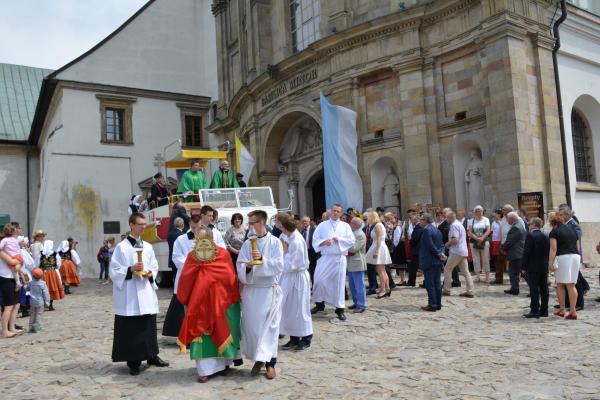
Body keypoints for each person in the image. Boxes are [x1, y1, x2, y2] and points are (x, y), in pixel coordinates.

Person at [177, 226, 242, 382]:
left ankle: (224, 364)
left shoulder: (223, 253)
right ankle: (205, 370)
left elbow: (229, 277)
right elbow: (185, 279)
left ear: (212, 239)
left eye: (206, 240)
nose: (203, 243)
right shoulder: (192, 256)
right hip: (200, 304)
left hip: (220, 302)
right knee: (203, 336)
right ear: (196, 240)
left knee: (222, 329)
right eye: (200, 239)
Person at [110, 212, 169, 375]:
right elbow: (114, 271)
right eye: (140, 224)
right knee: (132, 328)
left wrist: (150, 273)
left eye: (144, 224)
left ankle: (152, 355)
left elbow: (154, 266)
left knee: (148, 325)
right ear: (131, 225)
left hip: (145, 291)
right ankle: (133, 361)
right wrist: (130, 269)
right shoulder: (121, 248)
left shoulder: (148, 246)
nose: (144, 227)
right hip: (129, 294)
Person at [236, 210, 284, 379]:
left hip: (268, 291)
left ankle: (271, 363)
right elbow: (240, 264)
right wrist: (248, 267)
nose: (249, 226)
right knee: (253, 328)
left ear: (261, 222)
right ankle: (259, 359)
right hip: (251, 291)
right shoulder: (247, 244)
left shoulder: (275, 242)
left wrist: (262, 260)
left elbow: (279, 265)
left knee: (269, 328)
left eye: (252, 222)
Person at [311, 204, 355, 321]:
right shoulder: (322, 225)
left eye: (338, 211)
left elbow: (351, 240)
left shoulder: (345, 226)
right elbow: (315, 240)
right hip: (325, 257)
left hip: (339, 258)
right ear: (330, 212)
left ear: (341, 214)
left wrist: (339, 239)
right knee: (319, 281)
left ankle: (339, 309)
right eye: (334, 211)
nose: (335, 213)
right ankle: (319, 304)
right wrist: (323, 242)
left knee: (339, 284)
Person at [163, 215, 202, 339]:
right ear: (189, 224)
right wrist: (192, 264)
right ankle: (183, 335)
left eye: (198, 227)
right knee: (183, 307)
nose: (196, 230)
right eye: (193, 227)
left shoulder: (206, 238)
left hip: (202, 276)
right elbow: (176, 257)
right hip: (186, 276)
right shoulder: (181, 239)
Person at [278, 213, 313, 351]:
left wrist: (285, 253)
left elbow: (292, 265)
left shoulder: (297, 241)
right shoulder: (287, 237)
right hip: (289, 278)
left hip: (297, 277)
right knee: (289, 308)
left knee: (300, 308)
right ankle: (293, 337)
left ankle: (306, 337)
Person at [548, 214, 580, 320]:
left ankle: (562, 310)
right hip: (575, 256)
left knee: (560, 284)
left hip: (563, 257)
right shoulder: (572, 230)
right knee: (572, 284)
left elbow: (553, 249)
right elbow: (577, 246)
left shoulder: (554, 232)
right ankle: (573, 310)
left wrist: (550, 262)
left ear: (552, 223)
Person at [521, 217, 550, 318]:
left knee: (534, 288)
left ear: (534, 225)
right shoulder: (546, 236)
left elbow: (526, 252)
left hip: (533, 266)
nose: (528, 226)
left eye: (529, 224)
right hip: (544, 265)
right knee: (544, 288)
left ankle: (534, 310)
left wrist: (523, 267)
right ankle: (544, 310)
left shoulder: (531, 236)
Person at [442, 211, 474, 298]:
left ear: (451, 217)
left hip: (456, 251)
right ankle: (470, 291)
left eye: (447, 217)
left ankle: (446, 290)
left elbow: (455, 240)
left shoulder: (453, 225)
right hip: (462, 251)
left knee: (447, 269)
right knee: (466, 272)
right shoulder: (459, 224)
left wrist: (447, 244)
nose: (446, 219)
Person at [419, 213, 446, 312]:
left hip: (429, 260)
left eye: (421, 219)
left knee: (430, 284)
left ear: (426, 220)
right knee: (437, 283)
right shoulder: (436, 229)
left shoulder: (427, 230)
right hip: (437, 261)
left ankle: (432, 305)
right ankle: (438, 304)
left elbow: (430, 245)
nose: (420, 221)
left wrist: (439, 254)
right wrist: (441, 253)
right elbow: (441, 244)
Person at [365, 211, 392, 299]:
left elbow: (379, 239)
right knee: (382, 270)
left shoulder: (377, 225)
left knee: (380, 271)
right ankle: (387, 289)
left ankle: (383, 290)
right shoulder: (379, 225)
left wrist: (376, 251)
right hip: (379, 247)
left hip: (378, 248)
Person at [0, 241, 24, 338]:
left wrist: (18, 264)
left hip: (12, 278)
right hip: (5, 278)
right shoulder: (2, 251)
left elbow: (18, 265)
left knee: (16, 305)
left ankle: (12, 327)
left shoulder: (9, 251)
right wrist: (18, 262)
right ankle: (5, 331)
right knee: (8, 306)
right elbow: (12, 262)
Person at [501, 212, 526, 295]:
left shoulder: (516, 227)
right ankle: (514, 288)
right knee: (514, 272)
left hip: (516, 253)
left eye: (508, 219)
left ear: (512, 219)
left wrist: (503, 248)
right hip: (517, 253)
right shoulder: (518, 225)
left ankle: (536, 289)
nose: (507, 220)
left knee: (520, 272)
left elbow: (510, 241)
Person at [347, 217, 367, 313]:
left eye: (351, 223)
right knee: (352, 285)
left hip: (357, 262)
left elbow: (354, 248)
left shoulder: (360, 234)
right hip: (351, 262)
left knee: (359, 285)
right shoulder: (354, 233)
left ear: (355, 224)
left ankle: (361, 305)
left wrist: (344, 244)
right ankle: (356, 302)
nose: (350, 225)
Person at [467, 205, 491, 283]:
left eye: (480, 211)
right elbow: (469, 232)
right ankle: (478, 276)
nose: (479, 212)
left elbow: (488, 230)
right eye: (477, 211)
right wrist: (477, 238)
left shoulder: (486, 219)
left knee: (485, 259)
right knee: (475, 259)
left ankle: (487, 276)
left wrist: (482, 238)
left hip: (484, 241)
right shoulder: (470, 220)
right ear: (474, 212)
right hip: (474, 241)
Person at [38, 240, 64, 310]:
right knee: (52, 287)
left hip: (43, 273)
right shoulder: (55, 254)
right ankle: (50, 305)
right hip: (52, 273)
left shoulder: (41, 254)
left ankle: (44, 304)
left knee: (44, 288)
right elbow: (58, 264)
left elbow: (37, 264)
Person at [0, 224, 26, 291]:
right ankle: (20, 278)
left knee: (14, 270)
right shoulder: (15, 239)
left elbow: (0, 247)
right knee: (16, 269)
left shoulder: (5, 240)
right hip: (19, 256)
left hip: (13, 257)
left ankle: (18, 282)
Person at [28, 268, 50, 333]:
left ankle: (31, 327)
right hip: (40, 302)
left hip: (32, 301)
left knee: (32, 314)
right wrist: (47, 302)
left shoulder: (30, 283)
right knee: (39, 314)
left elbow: (26, 289)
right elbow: (46, 293)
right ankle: (38, 327)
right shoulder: (43, 283)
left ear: (32, 275)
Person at [300, 216, 318, 285]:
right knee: (305, 271)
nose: (304, 222)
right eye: (303, 221)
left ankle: (314, 286)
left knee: (313, 270)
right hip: (304, 253)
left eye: (306, 221)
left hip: (312, 253)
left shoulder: (313, 230)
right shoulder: (301, 231)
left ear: (309, 222)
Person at [407, 214, 423, 287]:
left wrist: (410, 239)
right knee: (413, 267)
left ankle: (411, 282)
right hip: (417, 250)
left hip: (417, 250)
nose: (411, 221)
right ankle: (411, 281)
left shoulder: (418, 227)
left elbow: (415, 239)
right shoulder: (417, 227)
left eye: (412, 219)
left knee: (413, 267)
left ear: (416, 220)